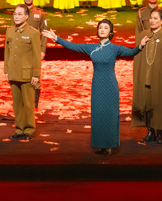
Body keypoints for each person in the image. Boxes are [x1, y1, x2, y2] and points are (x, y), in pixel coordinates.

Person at [43, 19, 143, 154]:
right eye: (100, 27)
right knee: (98, 115)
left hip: (110, 86)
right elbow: (73, 46)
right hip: (97, 86)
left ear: (110, 32)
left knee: (109, 115)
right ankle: (100, 145)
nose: (102, 30)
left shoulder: (115, 48)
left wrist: (140, 46)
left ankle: (109, 145)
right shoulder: (91, 47)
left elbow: (131, 52)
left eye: (106, 28)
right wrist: (56, 38)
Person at [132, 8, 162, 143]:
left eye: (155, 19)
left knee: (159, 104)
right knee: (147, 103)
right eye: (151, 18)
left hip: (160, 77)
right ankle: (150, 132)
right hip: (146, 75)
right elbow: (138, 57)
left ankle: (160, 133)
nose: (152, 21)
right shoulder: (143, 35)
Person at [4, 4, 42, 140]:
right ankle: (19, 129)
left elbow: (36, 55)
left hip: (27, 74)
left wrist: (36, 74)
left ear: (26, 16)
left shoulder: (33, 33)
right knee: (17, 104)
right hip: (14, 73)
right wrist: (6, 70)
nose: (16, 16)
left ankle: (29, 130)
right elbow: (7, 52)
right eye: (15, 14)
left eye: (20, 14)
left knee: (28, 104)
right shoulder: (10, 31)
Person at [22, 0, 48, 108]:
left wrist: (42, 50)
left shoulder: (39, 13)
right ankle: (24, 100)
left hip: (35, 49)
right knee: (22, 74)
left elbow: (44, 32)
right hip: (22, 48)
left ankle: (34, 102)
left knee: (35, 74)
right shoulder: (18, 12)